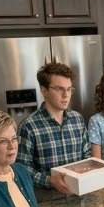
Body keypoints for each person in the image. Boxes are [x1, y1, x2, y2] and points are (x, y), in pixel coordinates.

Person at [17, 62, 91, 194]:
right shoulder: (29, 126)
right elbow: (21, 168)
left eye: (69, 89)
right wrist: (49, 180)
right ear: (44, 91)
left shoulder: (78, 119)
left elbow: (87, 155)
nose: (66, 95)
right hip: (47, 199)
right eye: (59, 89)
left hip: (79, 194)